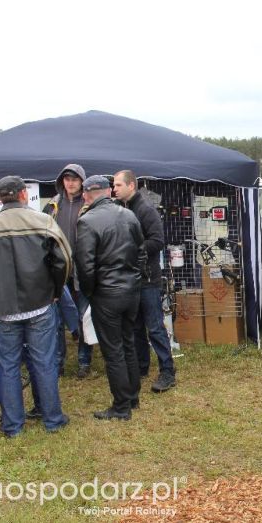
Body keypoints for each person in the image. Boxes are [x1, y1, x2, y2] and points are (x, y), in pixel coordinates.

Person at [0, 176, 72, 438]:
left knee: (8, 366)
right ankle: (52, 419)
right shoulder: (43, 222)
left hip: (3, 310)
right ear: (23, 194)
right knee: (44, 363)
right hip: (39, 306)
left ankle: (13, 425)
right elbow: (64, 260)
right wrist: (55, 292)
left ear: (1, 197)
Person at [75, 175, 146, 420]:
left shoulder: (87, 222)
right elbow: (141, 252)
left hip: (107, 293)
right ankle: (132, 397)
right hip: (130, 290)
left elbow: (85, 266)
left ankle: (121, 406)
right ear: (108, 191)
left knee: (113, 350)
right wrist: (134, 279)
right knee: (127, 343)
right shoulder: (128, 215)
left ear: (86, 194)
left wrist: (90, 291)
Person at [113, 170, 176, 392]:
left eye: (118, 185)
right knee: (135, 327)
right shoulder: (122, 209)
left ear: (131, 186)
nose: (114, 189)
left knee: (154, 327)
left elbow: (158, 241)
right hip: (130, 279)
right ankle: (141, 366)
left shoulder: (146, 210)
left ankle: (167, 371)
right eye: (114, 185)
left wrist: (132, 250)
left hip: (148, 279)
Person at [43, 163, 92, 379]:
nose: (70, 183)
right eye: (66, 179)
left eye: (74, 179)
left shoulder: (89, 204)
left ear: (82, 181)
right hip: (58, 272)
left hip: (82, 270)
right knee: (57, 320)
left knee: (83, 317)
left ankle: (84, 361)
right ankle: (58, 362)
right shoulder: (53, 205)